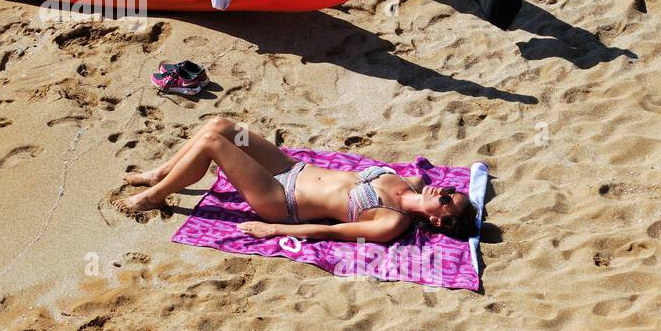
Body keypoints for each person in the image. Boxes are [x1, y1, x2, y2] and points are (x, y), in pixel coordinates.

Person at [116, 116, 475, 242]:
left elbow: (331, 232)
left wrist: (273, 231)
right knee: (221, 126)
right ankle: (161, 173)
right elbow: (434, 174)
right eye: (450, 190)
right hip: (289, 168)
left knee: (213, 144)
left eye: (446, 200)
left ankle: (154, 197)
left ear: (436, 220)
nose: (444, 190)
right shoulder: (411, 182)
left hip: (278, 198)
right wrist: (441, 189)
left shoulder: (390, 222)